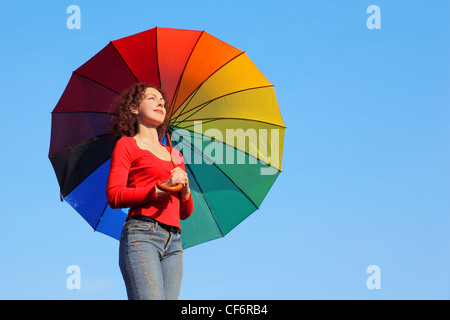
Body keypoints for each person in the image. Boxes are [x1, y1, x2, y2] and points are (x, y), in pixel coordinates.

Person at [106, 82, 193, 300]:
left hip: (174, 242)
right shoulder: (127, 145)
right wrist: (163, 188)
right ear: (134, 109)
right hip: (142, 235)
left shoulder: (175, 154)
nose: (160, 103)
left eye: (162, 101)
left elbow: (184, 212)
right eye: (151, 98)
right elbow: (115, 196)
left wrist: (185, 190)